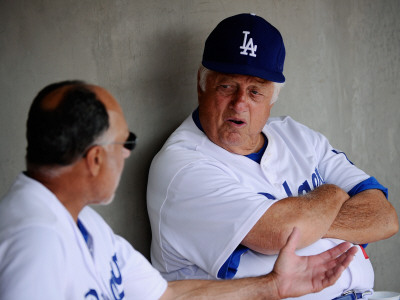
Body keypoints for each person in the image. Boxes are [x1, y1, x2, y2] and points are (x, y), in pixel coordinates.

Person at [0, 80, 359, 300]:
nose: (127, 154)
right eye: (127, 142)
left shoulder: (83, 223)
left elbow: (166, 294)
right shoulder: (35, 238)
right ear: (95, 159)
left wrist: (274, 286)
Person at [146, 13, 399, 299]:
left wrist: (309, 223)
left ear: (272, 99)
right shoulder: (182, 166)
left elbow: (384, 217)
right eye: (227, 86)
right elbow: (282, 232)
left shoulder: (296, 135)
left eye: (255, 91)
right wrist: (332, 194)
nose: (240, 103)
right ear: (202, 84)